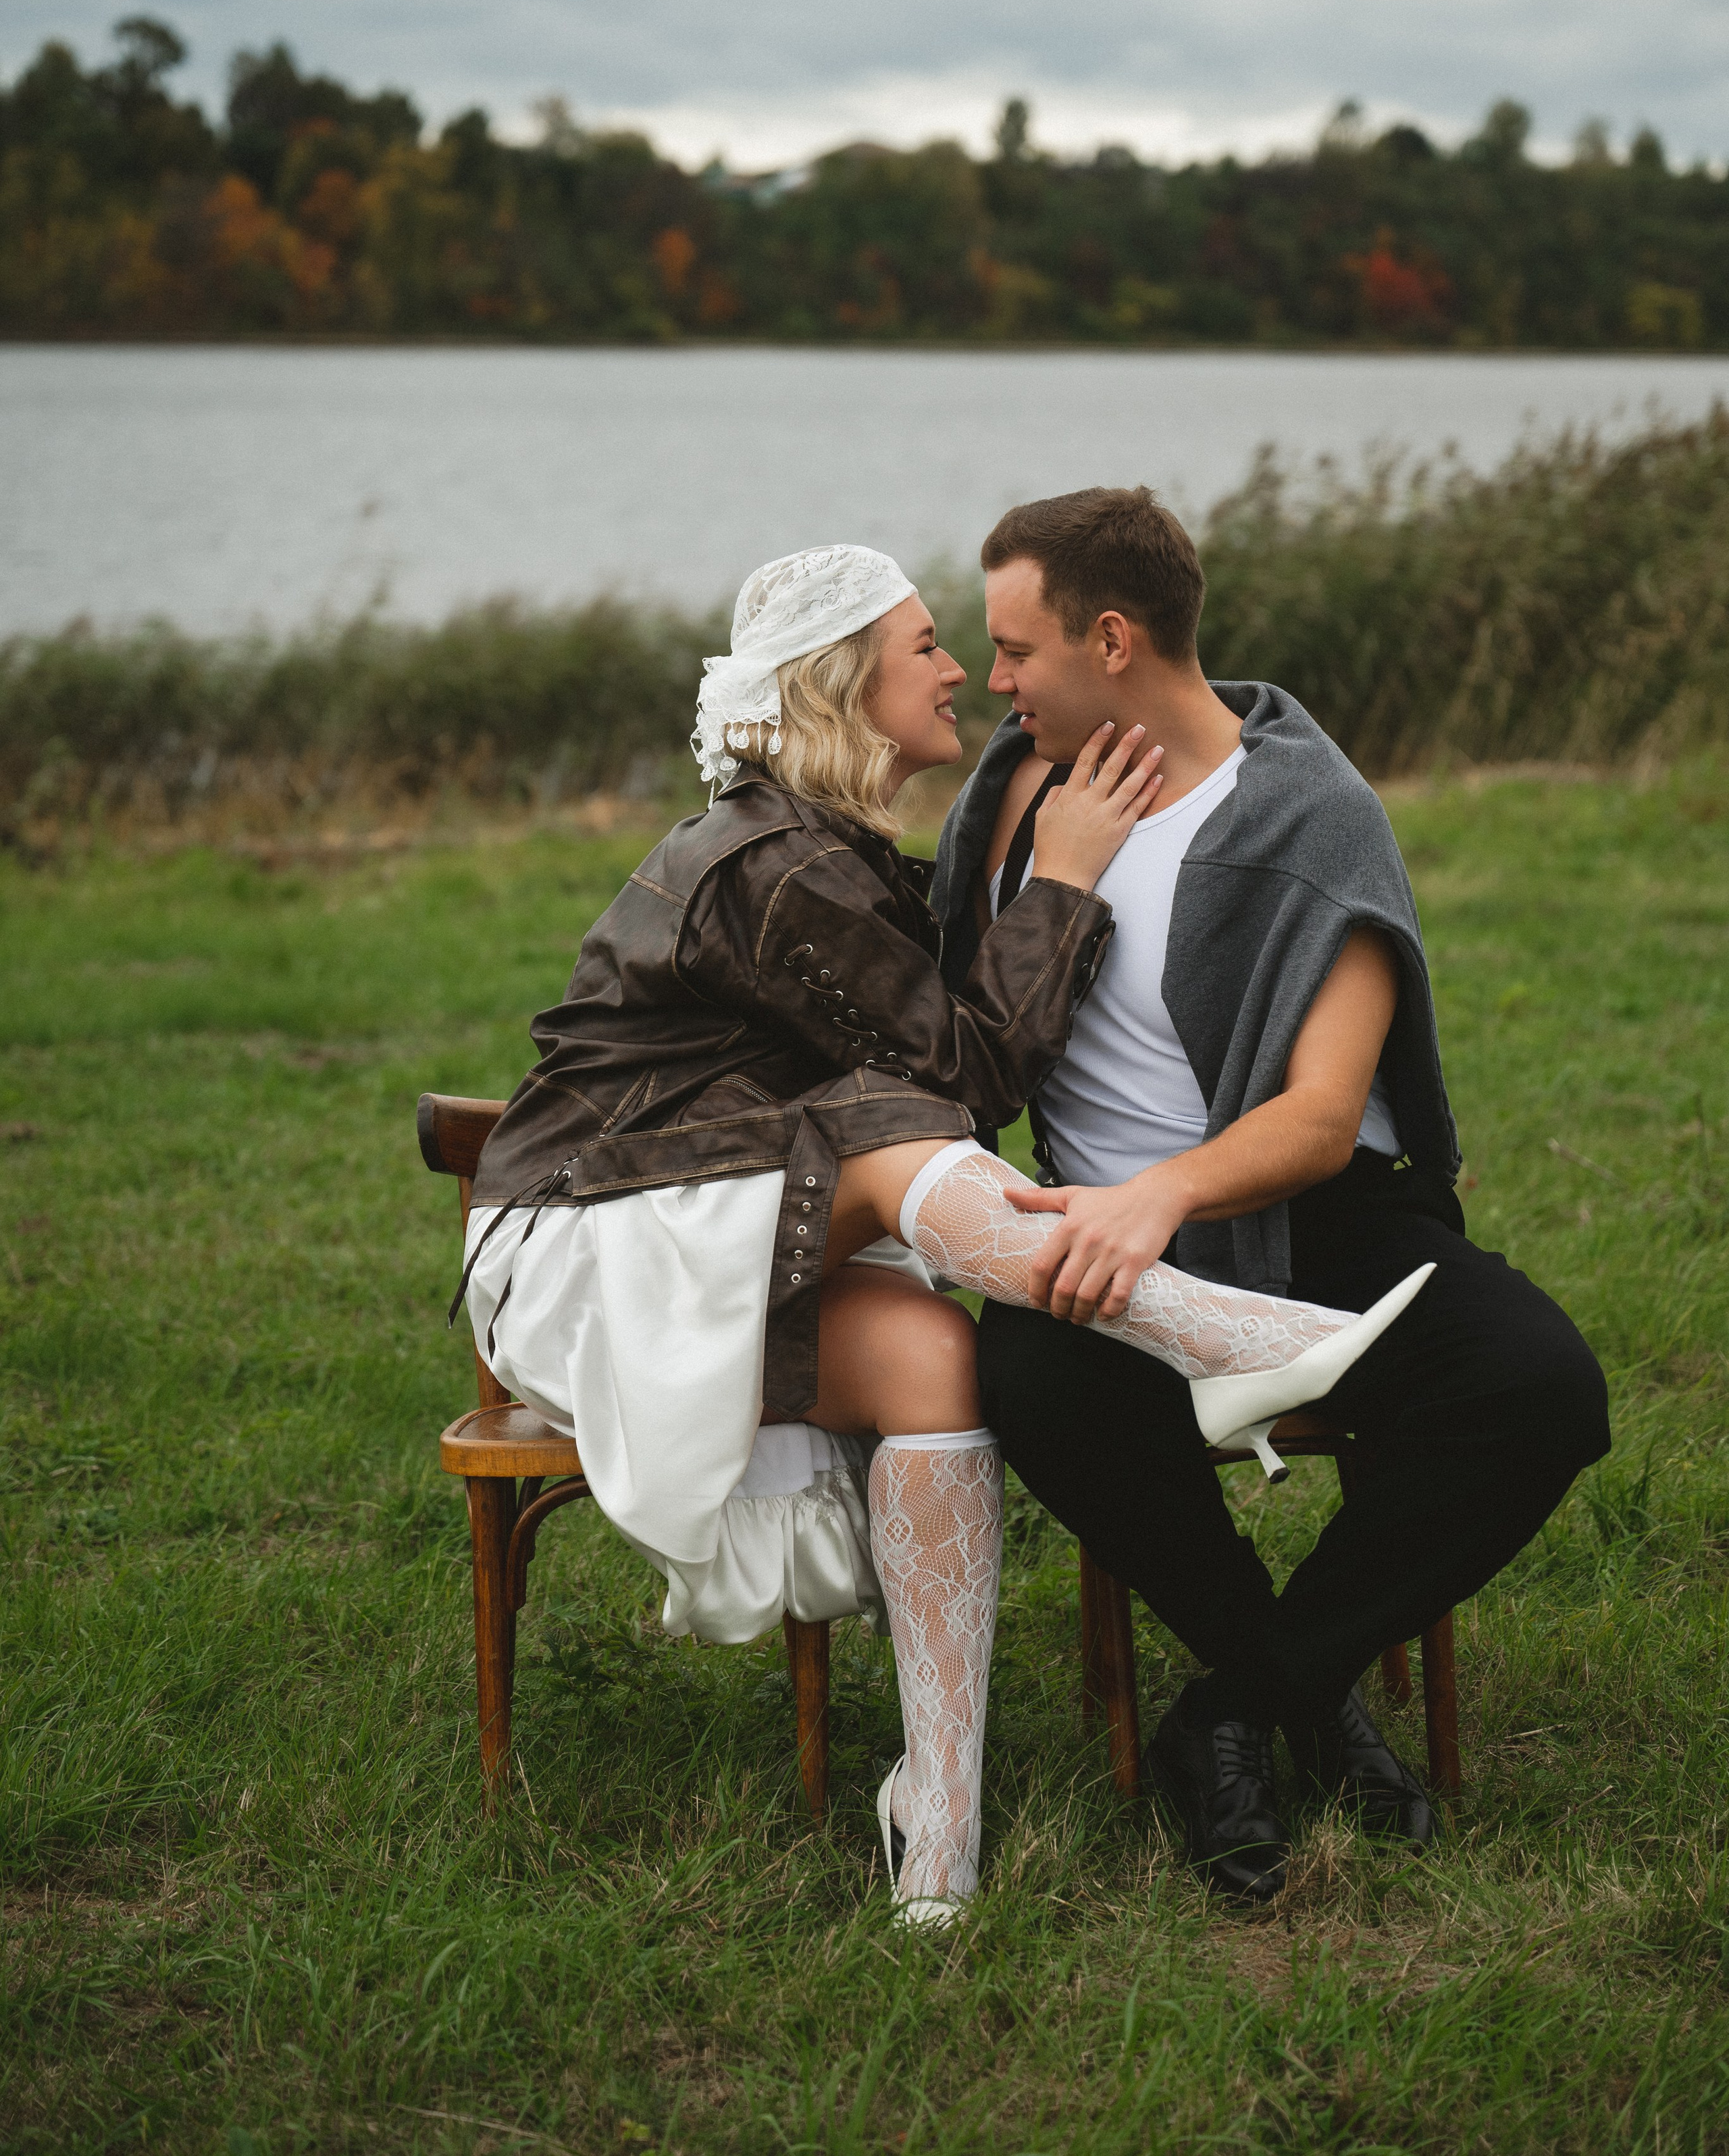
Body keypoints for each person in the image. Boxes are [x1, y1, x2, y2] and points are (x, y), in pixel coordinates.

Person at [460, 545, 1424, 1926]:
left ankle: (940, 1824)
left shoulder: (821, 845)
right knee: (886, 1124)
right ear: (848, 678)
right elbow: (959, 1089)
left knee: (934, 1366)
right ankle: (1226, 1337)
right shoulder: (777, 861)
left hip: (729, 1221)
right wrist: (1069, 878)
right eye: (924, 645)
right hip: (601, 1242)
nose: (960, 669)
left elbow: (927, 1078)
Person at [931, 486, 1613, 1904]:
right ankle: (1302, 1698)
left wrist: (1161, 1197)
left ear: (1109, 637)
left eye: (1014, 648)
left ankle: (1233, 1711)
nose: (995, 681)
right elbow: (962, 1047)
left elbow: (1315, 1114)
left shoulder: (1303, 809)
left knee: (1537, 1385)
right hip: (1094, 1228)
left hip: (1314, 1220)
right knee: (1034, 1371)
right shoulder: (1008, 795)